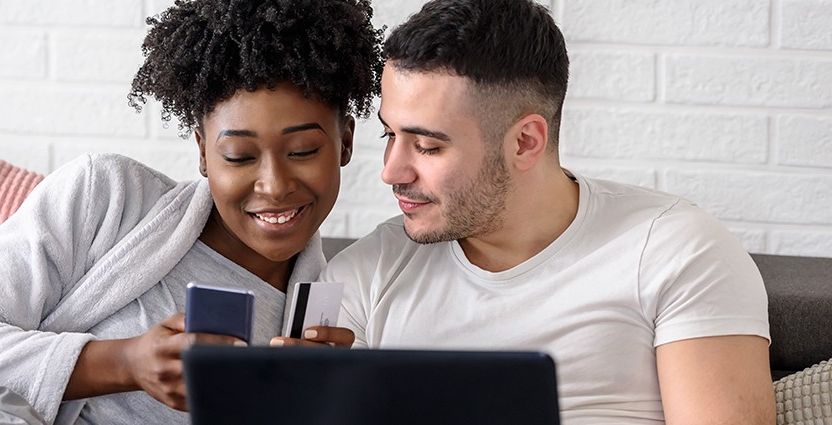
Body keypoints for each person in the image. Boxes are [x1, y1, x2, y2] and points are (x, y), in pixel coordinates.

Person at [0, 0, 382, 423]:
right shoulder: (108, 197)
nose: (274, 185)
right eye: (240, 156)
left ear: (344, 142)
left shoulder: (344, 311)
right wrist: (125, 362)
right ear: (204, 153)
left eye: (302, 152)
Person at [316, 0, 776, 423]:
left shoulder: (677, 252)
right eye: (388, 136)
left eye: (428, 146)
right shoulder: (367, 273)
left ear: (525, 142)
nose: (391, 171)